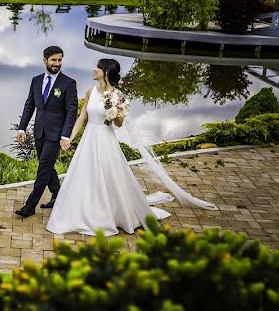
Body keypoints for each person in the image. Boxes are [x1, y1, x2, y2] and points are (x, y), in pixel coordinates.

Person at [46, 58, 217, 236]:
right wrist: (69, 138)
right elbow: (82, 118)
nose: (94, 69)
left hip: (105, 140)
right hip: (89, 138)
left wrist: (115, 111)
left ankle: (111, 214)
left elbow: (119, 124)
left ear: (105, 71)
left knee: (108, 176)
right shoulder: (91, 91)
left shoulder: (117, 96)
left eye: (97, 67)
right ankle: (83, 211)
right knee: (85, 175)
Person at [14, 45, 78, 218]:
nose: (57, 63)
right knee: (48, 166)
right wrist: (22, 128)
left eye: (59, 60)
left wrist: (66, 135)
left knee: (43, 168)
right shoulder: (36, 80)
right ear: (45, 60)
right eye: (54, 60)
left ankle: (30, 205)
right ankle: (58, 194)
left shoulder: (68, 83)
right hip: (39, 131)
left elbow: (72, 111)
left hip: (56, 134)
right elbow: (30, 105)